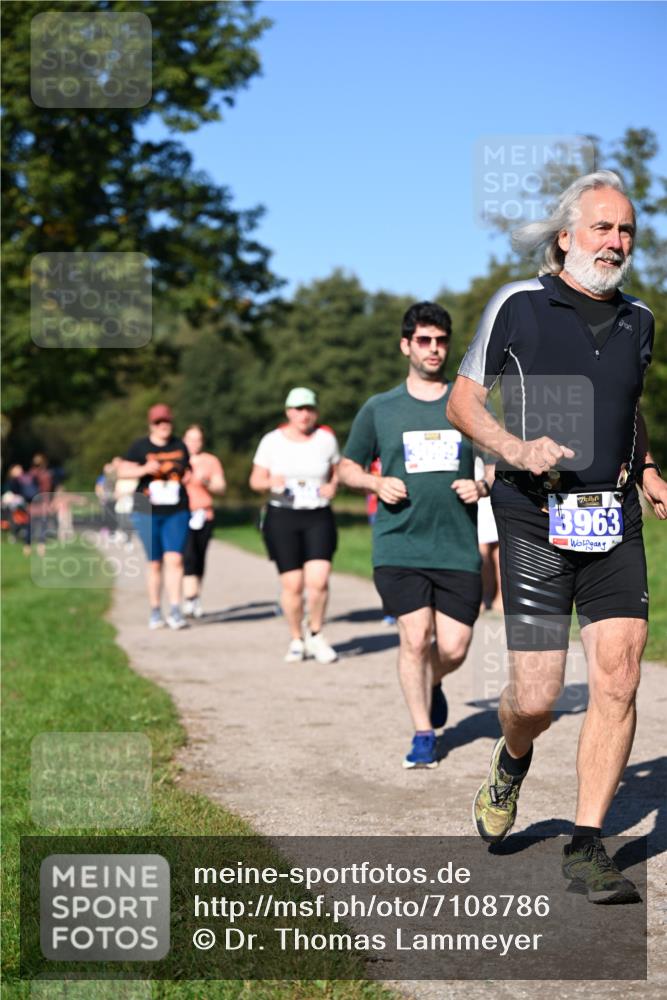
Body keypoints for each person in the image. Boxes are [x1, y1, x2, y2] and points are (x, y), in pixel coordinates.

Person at [447, 170, 666, 902]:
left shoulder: (639, 318)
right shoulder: (517, 304)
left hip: (611, 517)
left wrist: (647, 467)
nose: (616, 241)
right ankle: (511, 759)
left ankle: (585, 843)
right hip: (532, 514)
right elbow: (462, 402)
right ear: (565, 235)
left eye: (626, 229)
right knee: (536, 698)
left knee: (618, 676)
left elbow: (626, 407)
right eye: (602, 227)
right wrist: (511, 448)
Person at [339, 302, 492, 769]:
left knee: (452, 647)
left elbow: (501, 462)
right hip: (399, 543)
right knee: (414, 636)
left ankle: (433, 682)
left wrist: (483, 484)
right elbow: (346, 467)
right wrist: (374, 481)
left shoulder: (467, 405)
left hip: (457, 545)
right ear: (406, 345)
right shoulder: (380, 409)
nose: (433, 349)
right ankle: (424, 733)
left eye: (441, 341)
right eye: (423, 340)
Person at [249, 387, 340, 664]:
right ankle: (296, 639)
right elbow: (255, 481)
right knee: (293, 585)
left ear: (316, 412)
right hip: (283, 517)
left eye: (309, 409)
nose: (304, 414)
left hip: (318, 515)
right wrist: (270, 483)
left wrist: (332, 486)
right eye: (298, 409)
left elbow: (337, 472)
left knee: (319, 580)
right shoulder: (272, 441)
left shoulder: (326, 440)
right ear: (288, 412)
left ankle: (316, 634)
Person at [117, 404, 190, 630]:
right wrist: (144, 469)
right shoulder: (140, 447)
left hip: (176, 510)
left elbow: (187, 471)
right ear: (151, 425)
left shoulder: (180, 445)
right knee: (155, 563)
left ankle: (176, 610)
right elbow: (122, 471)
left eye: (166, 421)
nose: (163, 426)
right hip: (147, 511)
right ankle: (156, 610)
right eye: (159, 423)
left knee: (175, 559)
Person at [181, 425, 226, 618]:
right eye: (191, 439)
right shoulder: (177, 459)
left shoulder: (210, 461)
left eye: (198, 439)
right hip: (182, 515)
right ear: (184, 440)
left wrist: (205, 481)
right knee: (187, 556)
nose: (194, 443)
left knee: (199, 557)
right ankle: (189, 598)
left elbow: (221, 487)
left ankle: (195, 596)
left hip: (204, 514)